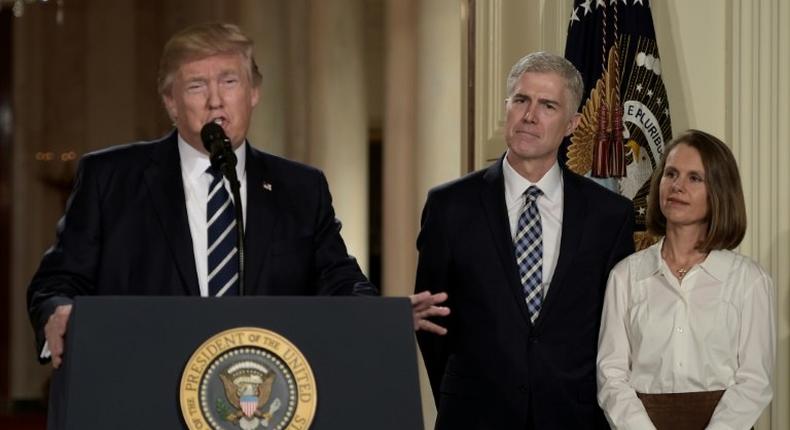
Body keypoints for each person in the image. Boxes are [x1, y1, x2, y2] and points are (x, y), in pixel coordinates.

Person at [27, 22, 448, 369]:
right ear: (171, 103)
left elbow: (338, 281)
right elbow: (57, 282)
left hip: (262, 395)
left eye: (229, 81)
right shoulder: (111, 178)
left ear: (253, 93)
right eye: (196, 86)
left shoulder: (301, 189)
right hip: (145, 386)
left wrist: (383, 317)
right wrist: (57, 313)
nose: (215, 101)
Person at [414, 51, 635, 429]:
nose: (529, 115)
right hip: (473, 418)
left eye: (548, 105)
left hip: (574, 419)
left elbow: (614, 330)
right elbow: (434, 324)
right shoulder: (449, 206)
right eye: (521, 100)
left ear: (572, 124)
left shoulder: (609, 215)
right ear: (507, 107)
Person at [596, 129, 776, 429]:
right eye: (671, 174)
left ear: (719, 191)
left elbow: (754, 380)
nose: (677, 186)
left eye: (694, 178)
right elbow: (611, 375)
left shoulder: (748, 281)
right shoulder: (626, 276)